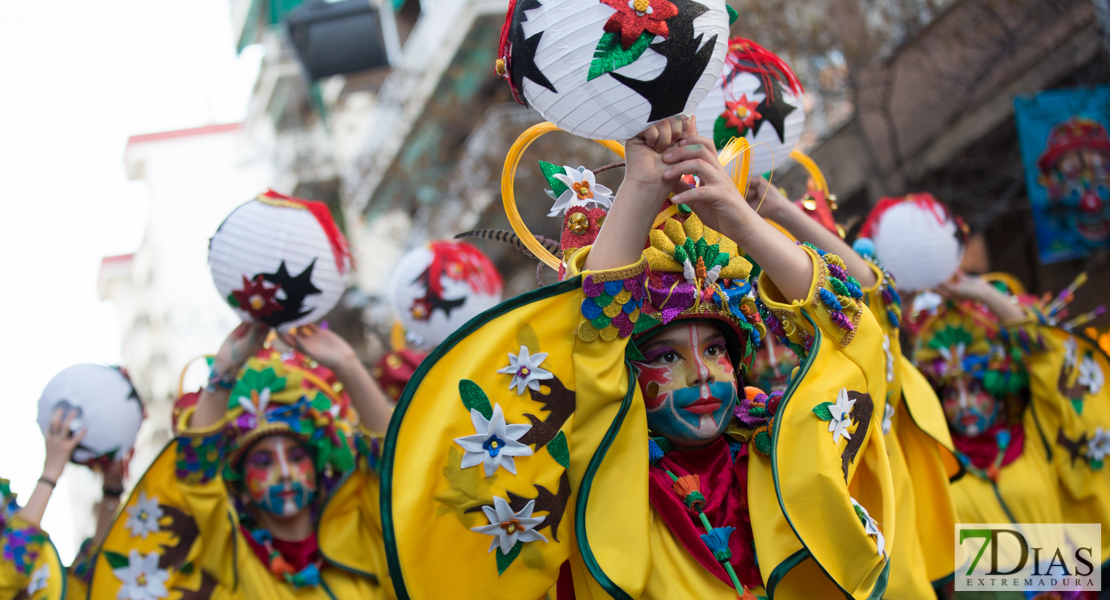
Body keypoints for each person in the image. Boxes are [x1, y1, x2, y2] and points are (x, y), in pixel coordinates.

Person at [383, 116, 895, 599]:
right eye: (667, 357)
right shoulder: (606, 482)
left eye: (716, 349)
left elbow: (853, 334)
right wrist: (641, 189)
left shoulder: (776, 454)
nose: (700, 373)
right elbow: (596, 341)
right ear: (624, 374)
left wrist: (748, 226)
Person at [746, 178, 962, 597]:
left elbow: (870, 298)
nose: (773, 361)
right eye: (758, 342)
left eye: (786, 338)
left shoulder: (868, 385)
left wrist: (779, 211)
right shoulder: (744, 436)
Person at [87, 323, 395, 599]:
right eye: (263, 463)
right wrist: (223, 372)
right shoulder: (232, 554)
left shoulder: (360, 531)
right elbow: (198, 477)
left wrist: (348, 365)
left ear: (318, 467)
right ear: (241, 484)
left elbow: (390, 460)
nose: (285, 474)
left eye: (297, 457)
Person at [916, 273, 1110, 571]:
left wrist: (985, 296)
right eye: (952, 393)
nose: (964, 404)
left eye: (976, 388)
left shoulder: (1035, 435)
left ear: (999, 389)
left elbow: (1047, 357)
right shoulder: (936, 464)